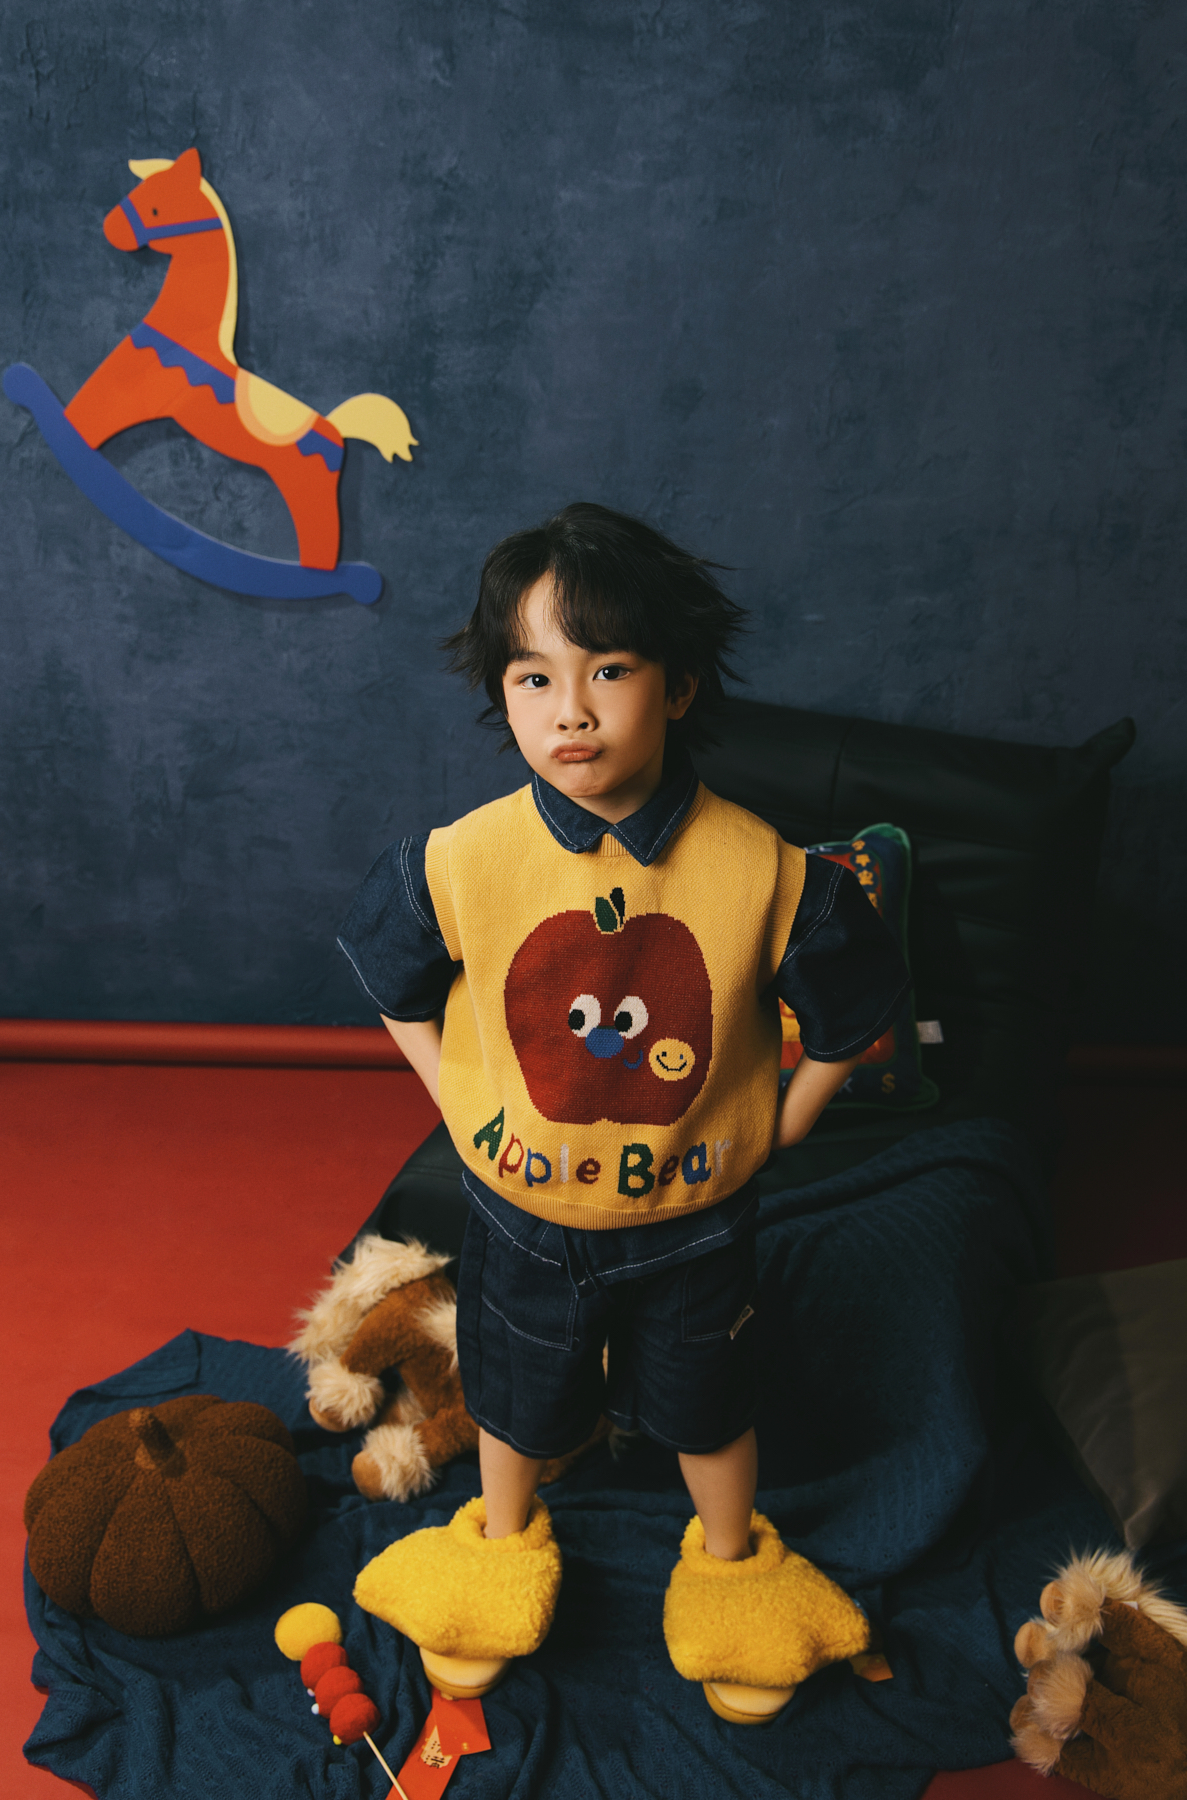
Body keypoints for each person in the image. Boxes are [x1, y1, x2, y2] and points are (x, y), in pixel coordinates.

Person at [340, 503, 910, 1721]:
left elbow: (858, 1003)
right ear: (504, 697)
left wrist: (793, 1117)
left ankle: (731, 1569)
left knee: (711, 1406)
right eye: (534, 678)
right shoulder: (464, 859)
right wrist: (453, 1092)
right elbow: (391, 980)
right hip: (524, 1220)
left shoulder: (762, 867)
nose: (572, 711)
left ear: (680, 685)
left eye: (608, 670)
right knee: (512, 1396)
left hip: (697, 1226)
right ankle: (499, 1547)